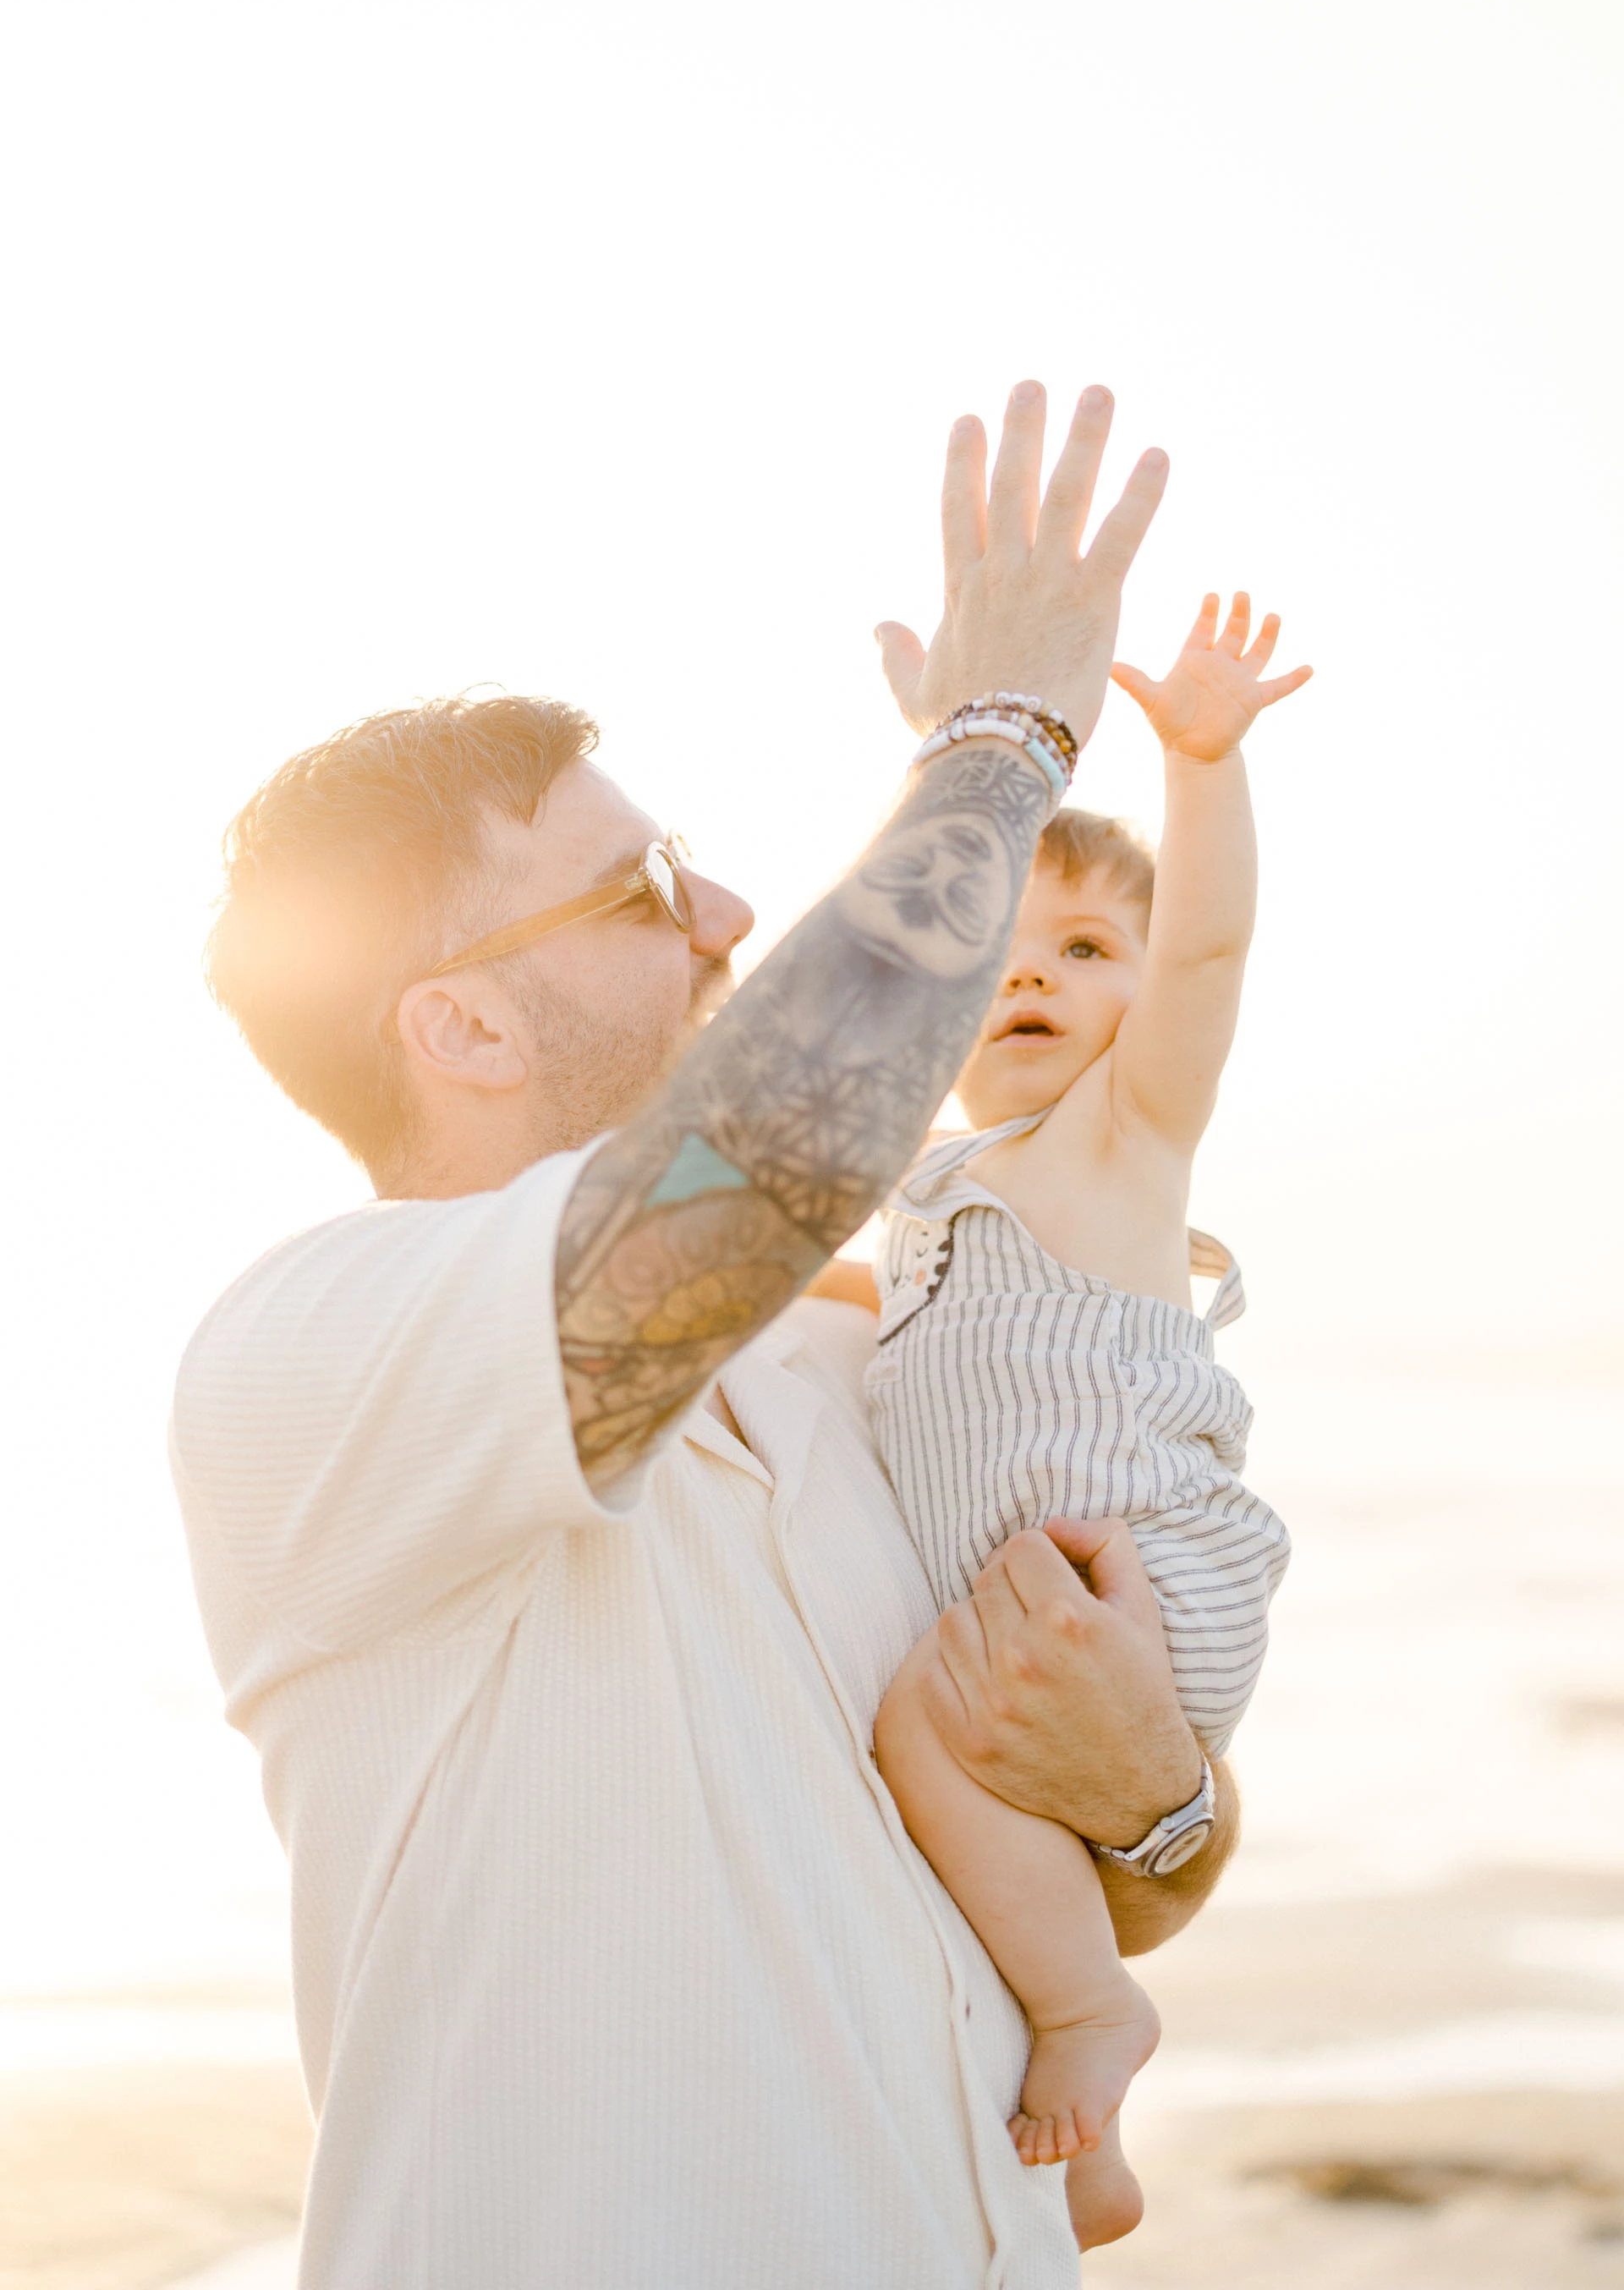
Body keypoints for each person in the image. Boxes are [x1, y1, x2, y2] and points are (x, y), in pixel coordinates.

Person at [172, 382, 1240, 2289]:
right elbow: (777, 1149)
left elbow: (1127, 1877)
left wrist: (1154, 1791)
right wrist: (1005, 737)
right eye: (648, 889)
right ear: (460, 1025)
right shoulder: (308, 1363)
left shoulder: (857, 1367)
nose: (730, 909)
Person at [862, 593, 1309, 2249]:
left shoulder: (1119, 1138)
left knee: (924, 1735)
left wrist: (1203, 765)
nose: (1031, 975)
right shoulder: (927, 1198)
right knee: (961, 1802)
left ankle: (1092, 2010)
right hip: (1055, 1613)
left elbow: (1208, 953)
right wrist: (942, 783)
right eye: (998, 956)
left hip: (1145, 1587)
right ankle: (1091, 2154)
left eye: (1084, 953)